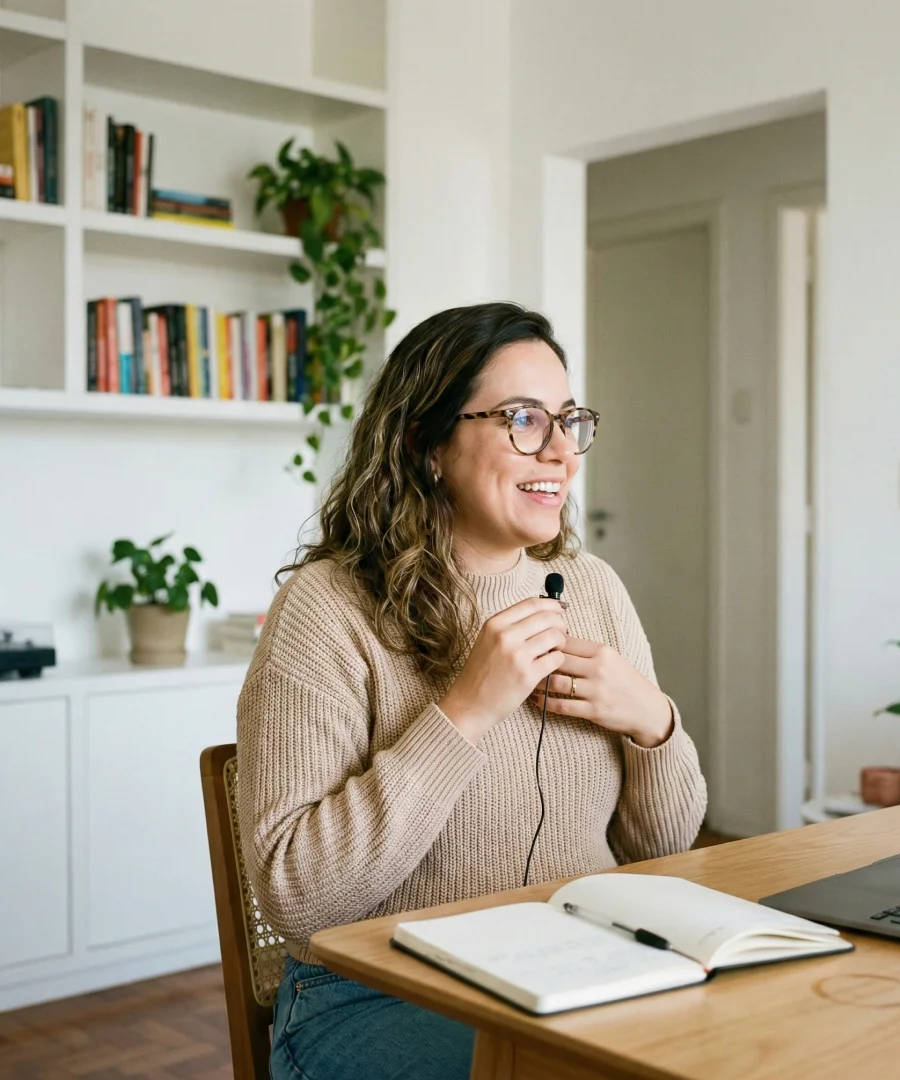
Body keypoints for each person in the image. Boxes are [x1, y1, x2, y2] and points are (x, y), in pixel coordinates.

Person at [236, 302, 707, 1080]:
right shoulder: (328, 608)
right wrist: (465, 711)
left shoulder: (592, 589)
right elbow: (300, 900)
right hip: (373, 996)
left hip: (575, 970)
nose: (559, 449)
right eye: (524, 418)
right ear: (428, 444)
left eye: (570, 420)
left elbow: (663, 850)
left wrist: (652, 723)